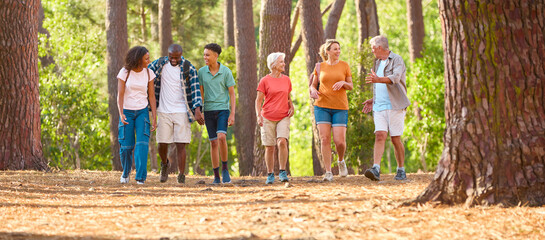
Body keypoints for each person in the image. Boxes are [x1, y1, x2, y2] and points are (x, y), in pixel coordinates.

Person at [148, 44, 204, 184]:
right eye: (171, 57)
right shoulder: (160, 64)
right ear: (168, 54)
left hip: (181, 110)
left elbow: (195, 88)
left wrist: (197, 110)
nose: (173, 60)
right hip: (163, 110)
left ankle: (181, 175)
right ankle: (164, 164)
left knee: (181, 144)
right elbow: (146, 73)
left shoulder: (188, 68)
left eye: (176, 58)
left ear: (181, 55)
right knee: (162, 143)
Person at [361, 35, 411, 181]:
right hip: (379, 106)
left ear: (379, 48)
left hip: (395, 105)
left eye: (373, 48)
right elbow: (378, 86)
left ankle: (401, 169)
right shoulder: (377, 62)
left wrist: (378, 79)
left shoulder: (397, 59)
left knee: (395, 139)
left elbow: (395, 78)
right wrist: (373, 100)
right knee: (380, 135)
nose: (372, 51)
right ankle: (376, 168)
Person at [309, 39, 353, 182]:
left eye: (339, 49)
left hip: (340, 107)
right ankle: (328, 172)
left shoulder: (344, 66)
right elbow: (313, 85)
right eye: (335, 49)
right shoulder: (319, 66)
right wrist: (313, 91)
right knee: (324, 139)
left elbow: (351, 86)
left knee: (339, 141)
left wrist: (344, 83)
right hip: (322, 106)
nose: (338, 51)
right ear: (327, 51)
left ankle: (340, 160)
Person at [117, 46, 157, 185]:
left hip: (142, 112)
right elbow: (120, 95)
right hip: (127, 111)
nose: (149, 60)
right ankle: (126, 171)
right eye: (146, 58)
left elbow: (151, 96)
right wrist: (121, 113)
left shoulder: (149, 73)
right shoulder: (125, 72)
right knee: (126, 146)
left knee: (142, 144)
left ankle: (140, 177)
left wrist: (154, 117)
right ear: (138, 59)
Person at [198, 43, 236, 184]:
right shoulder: (201, 72)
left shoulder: (226, 71)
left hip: (222, 110)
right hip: (208, 111)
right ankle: (216, 176)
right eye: (204, 54)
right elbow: (201, 94)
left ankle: (225, 170)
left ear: (216, 55)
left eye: (207, 54)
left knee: (221, 137)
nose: (205, 57)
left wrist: (232, 114)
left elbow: (232, 94)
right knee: (213, 142)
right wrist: (200, 111)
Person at [255, 52, 294, 184]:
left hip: (283, 116)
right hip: (267, 117)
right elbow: (258, 100)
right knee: (269, 147)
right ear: (273, 64)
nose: (284, 64)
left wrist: (292, 106)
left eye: (283, 61)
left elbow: (288, 97)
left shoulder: (286, 80)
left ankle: (282, 171)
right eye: (281, 62)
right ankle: (270, 174)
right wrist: (258, 116)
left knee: (282, 141)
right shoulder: (265, 80)